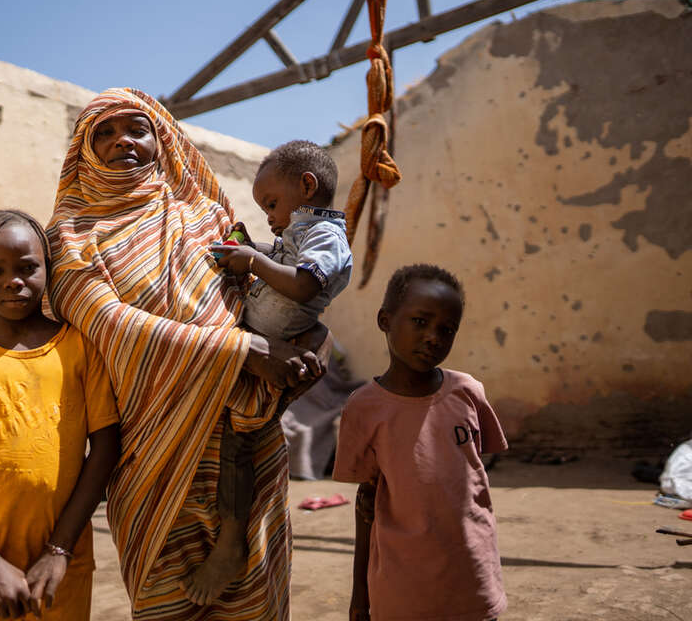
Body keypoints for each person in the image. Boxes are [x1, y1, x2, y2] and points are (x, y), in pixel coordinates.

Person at [47, 88, 325, 620]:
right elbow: (112, 324)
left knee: (254, 605)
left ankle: (235, 537)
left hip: (243, 434)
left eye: (136, 128)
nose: (120, 141)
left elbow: (260, 291)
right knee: (167, 605)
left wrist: (311, 339)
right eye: (102, 132)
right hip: (149, 449)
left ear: (163, 139)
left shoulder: (207, 217)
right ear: (83, 149)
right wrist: (244, 350)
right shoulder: (71, 237)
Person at [0, 209, 120, 620]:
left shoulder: (80, 350)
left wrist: (58, 551)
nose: (12, 280)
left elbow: (104, 451)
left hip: (61, 568)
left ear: (48, 269)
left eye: (27, 267)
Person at [190, 140, 353, 604]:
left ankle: (231, 541)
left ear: (307, 186)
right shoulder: (299, 233)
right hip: (256, 336)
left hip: (275, 351)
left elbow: (303, 284)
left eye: (273, 204)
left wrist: (254, 261)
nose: (269, 215)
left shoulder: (326, 238)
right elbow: (282, 263)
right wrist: (250, 246)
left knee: (238, 445)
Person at [333, 264, 508, 621]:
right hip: (401, 586)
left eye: (447, 329)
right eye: (420, 322)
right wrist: (359, 597)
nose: (433, 337)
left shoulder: (467, 393)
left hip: (471, 577)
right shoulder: (364, 408)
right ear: (385, 320)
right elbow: (366, 504)